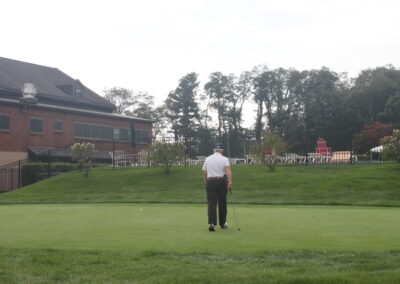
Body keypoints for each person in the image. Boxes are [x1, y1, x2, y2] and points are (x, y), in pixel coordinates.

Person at [202, 143, 233, 231]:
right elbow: (228, 170)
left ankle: (211, 223)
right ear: (222, 150)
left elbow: (204, 172)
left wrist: (206, 181)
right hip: (221, 182)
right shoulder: (224, 159)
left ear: (214, 150)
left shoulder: (208, 158)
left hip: (210, 181)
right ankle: (223, 223)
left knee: (212, 203)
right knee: (222, 203)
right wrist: (230, 181)